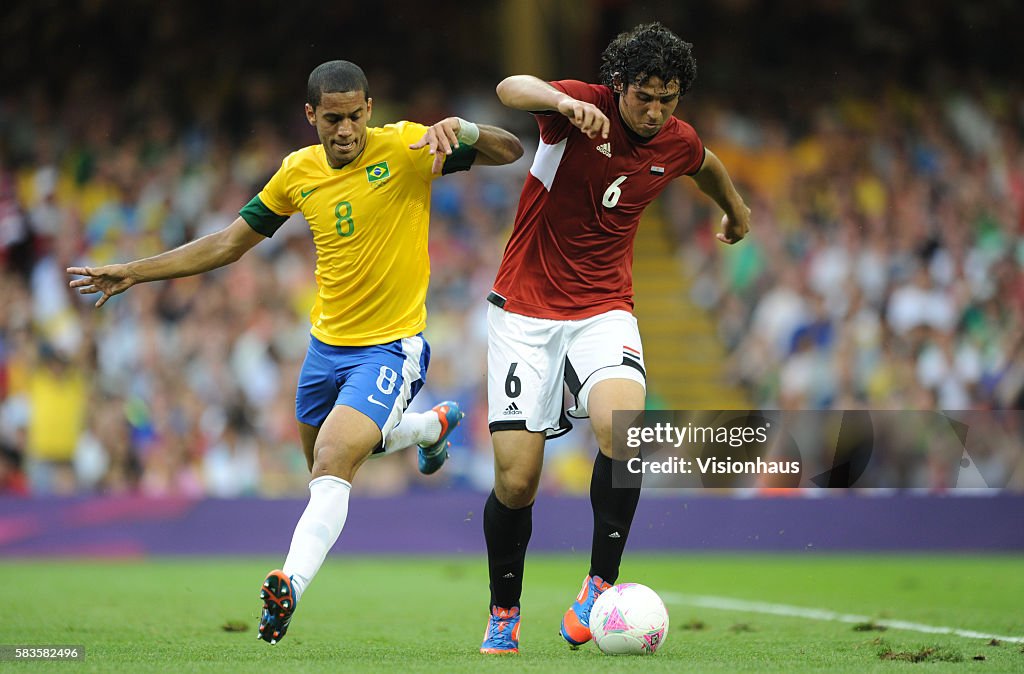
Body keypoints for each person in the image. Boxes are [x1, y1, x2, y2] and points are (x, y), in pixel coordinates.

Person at [67, 60, 524, 645]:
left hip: (391, 347)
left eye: (356, 116)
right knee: (331, 466)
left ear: (369, 110)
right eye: (332, 118)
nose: (346, 130)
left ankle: (288, 585)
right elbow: (230, 243)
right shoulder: (296, 173)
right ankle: (428, 430)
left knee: (335, 458)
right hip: (322, 354)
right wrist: (134, 271)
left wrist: (464, 130)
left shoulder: (409, 146)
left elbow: (509, 151)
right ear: (311, 115)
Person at [479, 23, 750, 654]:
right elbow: (509, 86)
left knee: (624, 426)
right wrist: (562, 102)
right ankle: (503, 611)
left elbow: (704, 165)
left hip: (604, 307)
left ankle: (600, 584)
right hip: (524, 310)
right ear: (619, 85)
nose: (655, 111)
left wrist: (734, 209)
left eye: (668, 98)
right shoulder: (583, 107)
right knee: (518, 481)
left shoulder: (675, 140)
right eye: (644, 96)